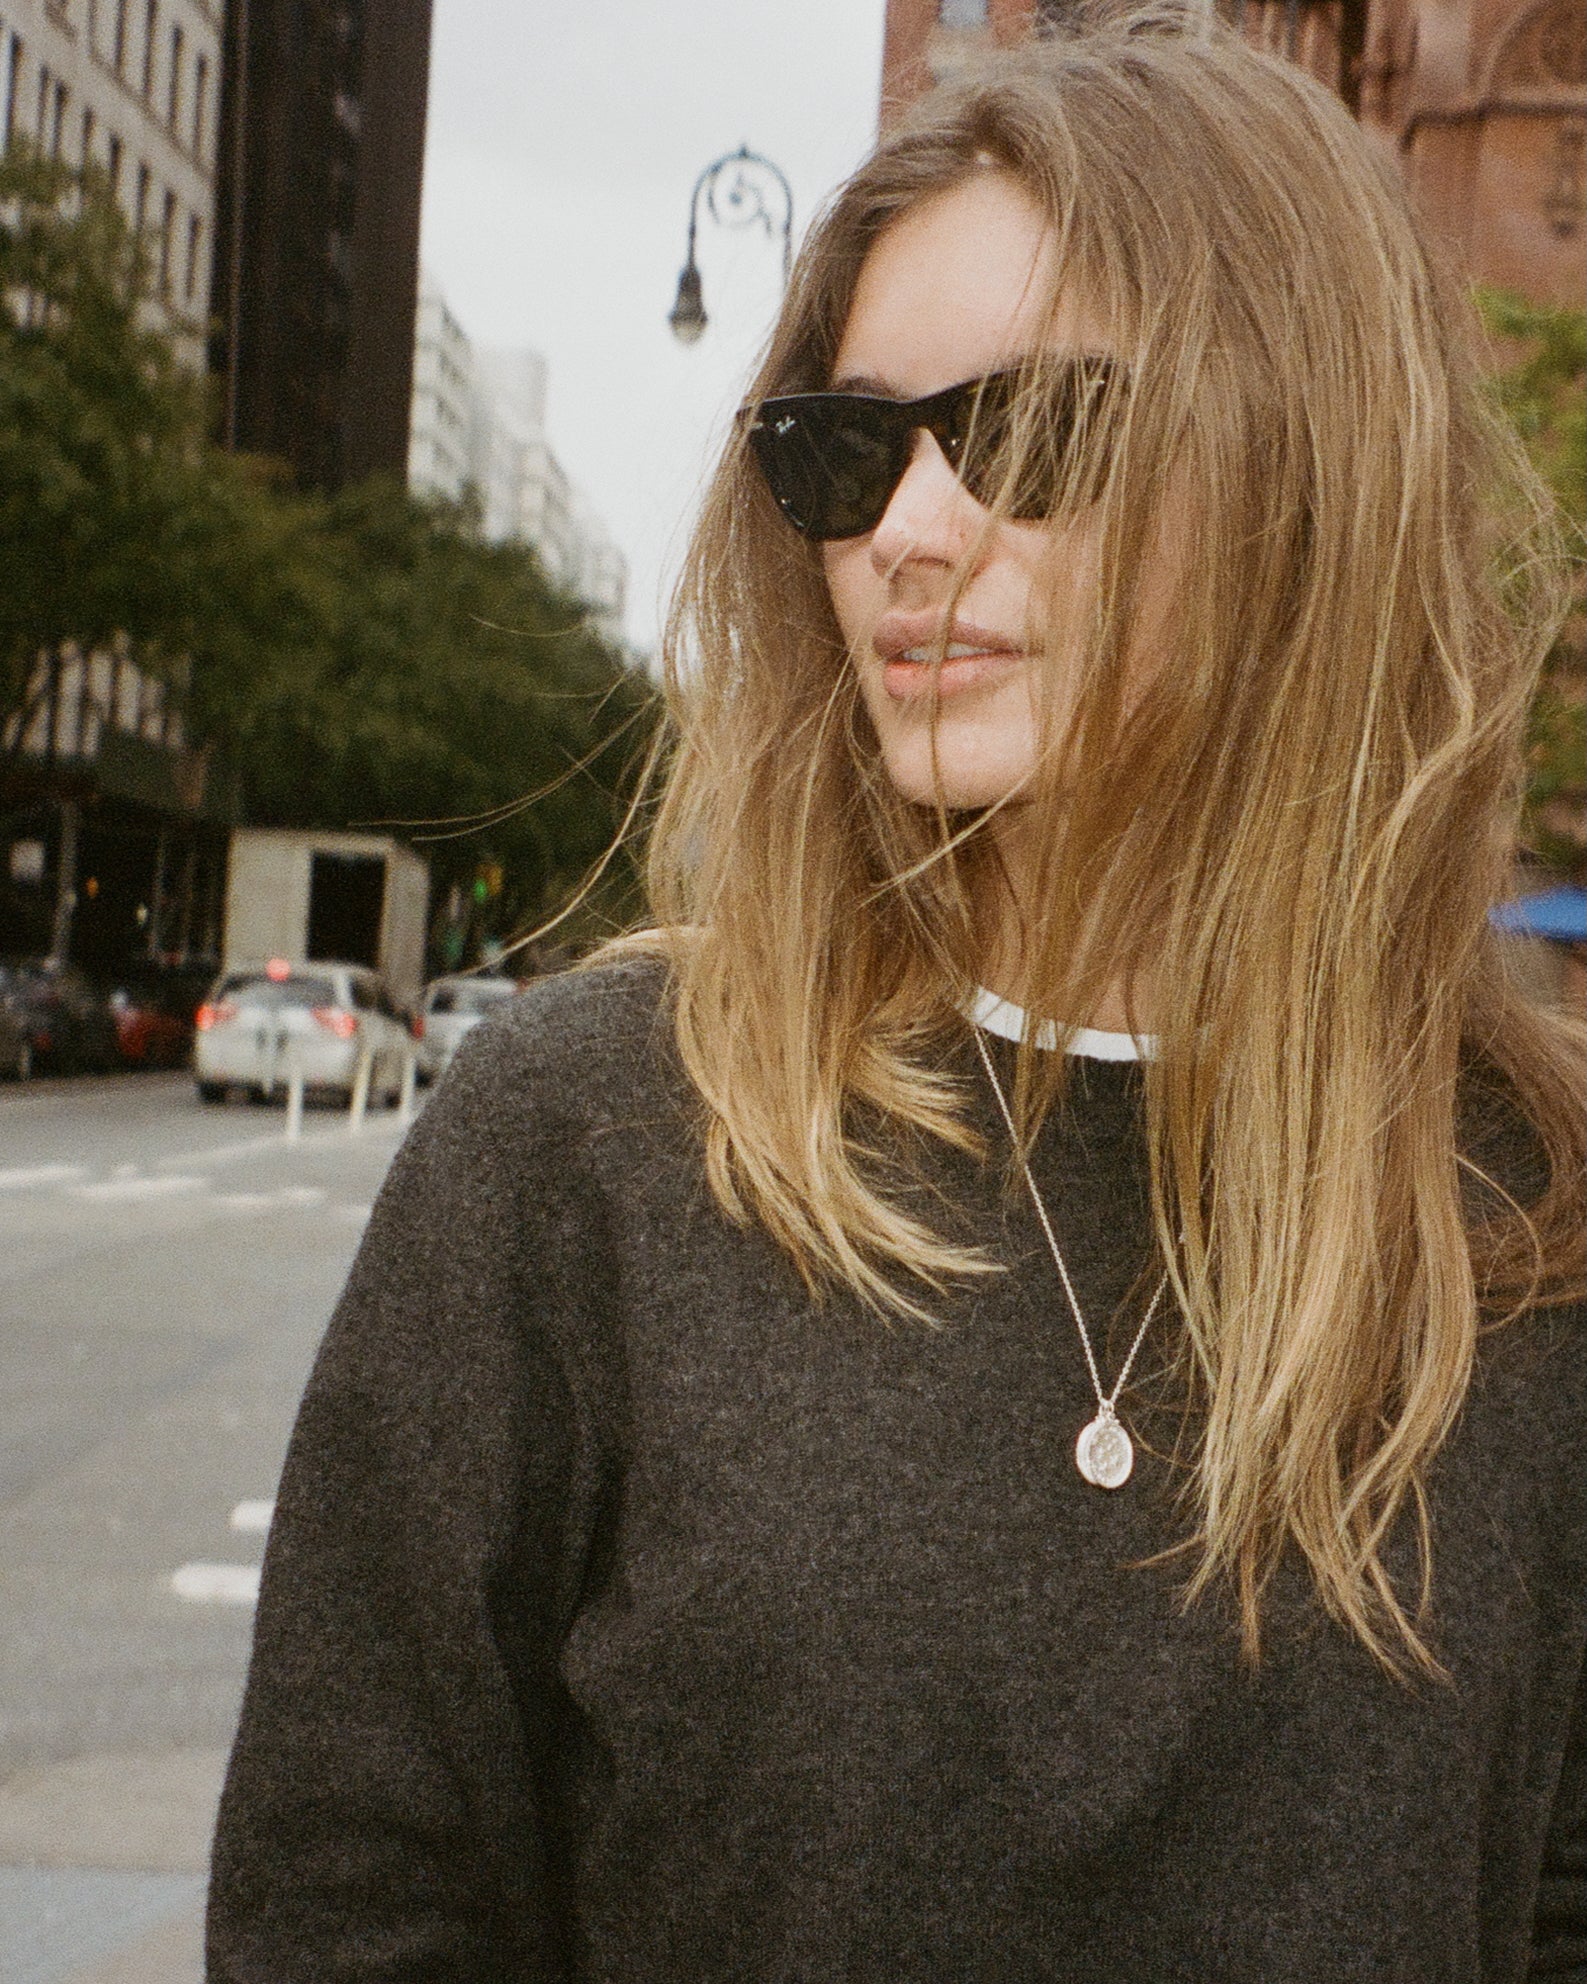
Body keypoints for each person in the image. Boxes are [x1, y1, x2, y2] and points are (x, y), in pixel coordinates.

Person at [206, 8, 1586, 1978]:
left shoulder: (1529, 1213)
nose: (906, 537)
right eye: (844, 451)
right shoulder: (594, 1138)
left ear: (1304, 466)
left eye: (1026, 435)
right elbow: (348, 1897)